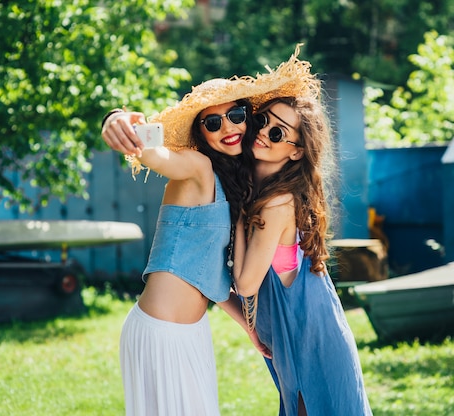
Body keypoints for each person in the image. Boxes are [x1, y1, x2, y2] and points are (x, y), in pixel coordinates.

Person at [100, 47, 319, 416]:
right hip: (161, 333)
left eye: (235, 115)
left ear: (249, 118)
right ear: (201, 134)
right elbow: (156, 155)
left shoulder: (232, 187)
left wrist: (248, 327)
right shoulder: (198, 167)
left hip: (191, 333)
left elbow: (208, 276)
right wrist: (118, 120)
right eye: (213, 123)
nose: (229, 127)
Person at [231, 94, 373, 415]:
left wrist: (237, 210)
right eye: (261, 121)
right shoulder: (262, 193)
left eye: (277, 132)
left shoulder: (276, 203)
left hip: (312, 343)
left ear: (296, 151)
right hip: (294, 338)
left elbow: (245, 284)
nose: (263, 133)